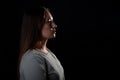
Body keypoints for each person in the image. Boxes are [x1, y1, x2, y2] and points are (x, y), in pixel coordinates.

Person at [18, 6, 65, 80]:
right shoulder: (32, 59)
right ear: (36, 25)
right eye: (49, 21)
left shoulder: (48, 53)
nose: (54, 25)